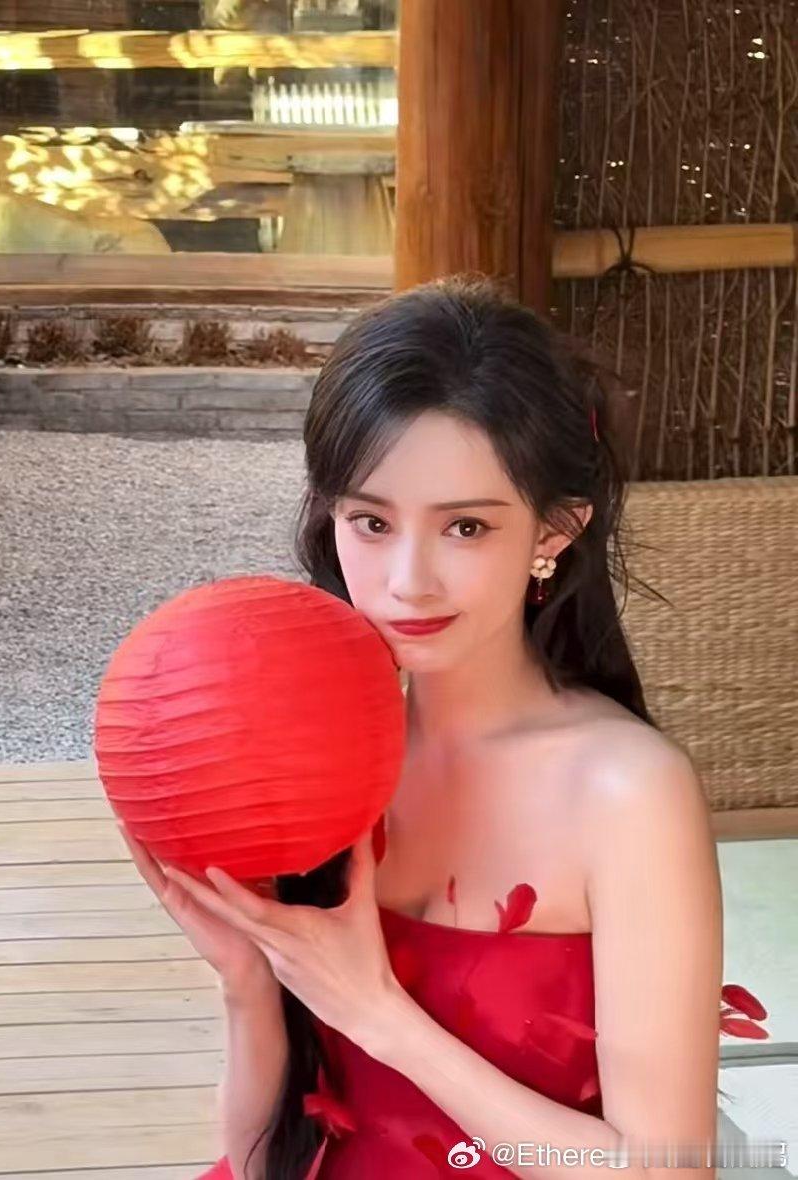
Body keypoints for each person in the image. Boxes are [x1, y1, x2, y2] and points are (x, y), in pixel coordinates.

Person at [119, 276, 755, 1179]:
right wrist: (250, 979)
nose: (407, 582)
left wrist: (381, 1016)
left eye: (464, 527)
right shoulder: (309, 748)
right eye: (371, 521)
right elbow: (263, 1161)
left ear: (554, 531)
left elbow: (668, 1171)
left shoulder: (626, 791)